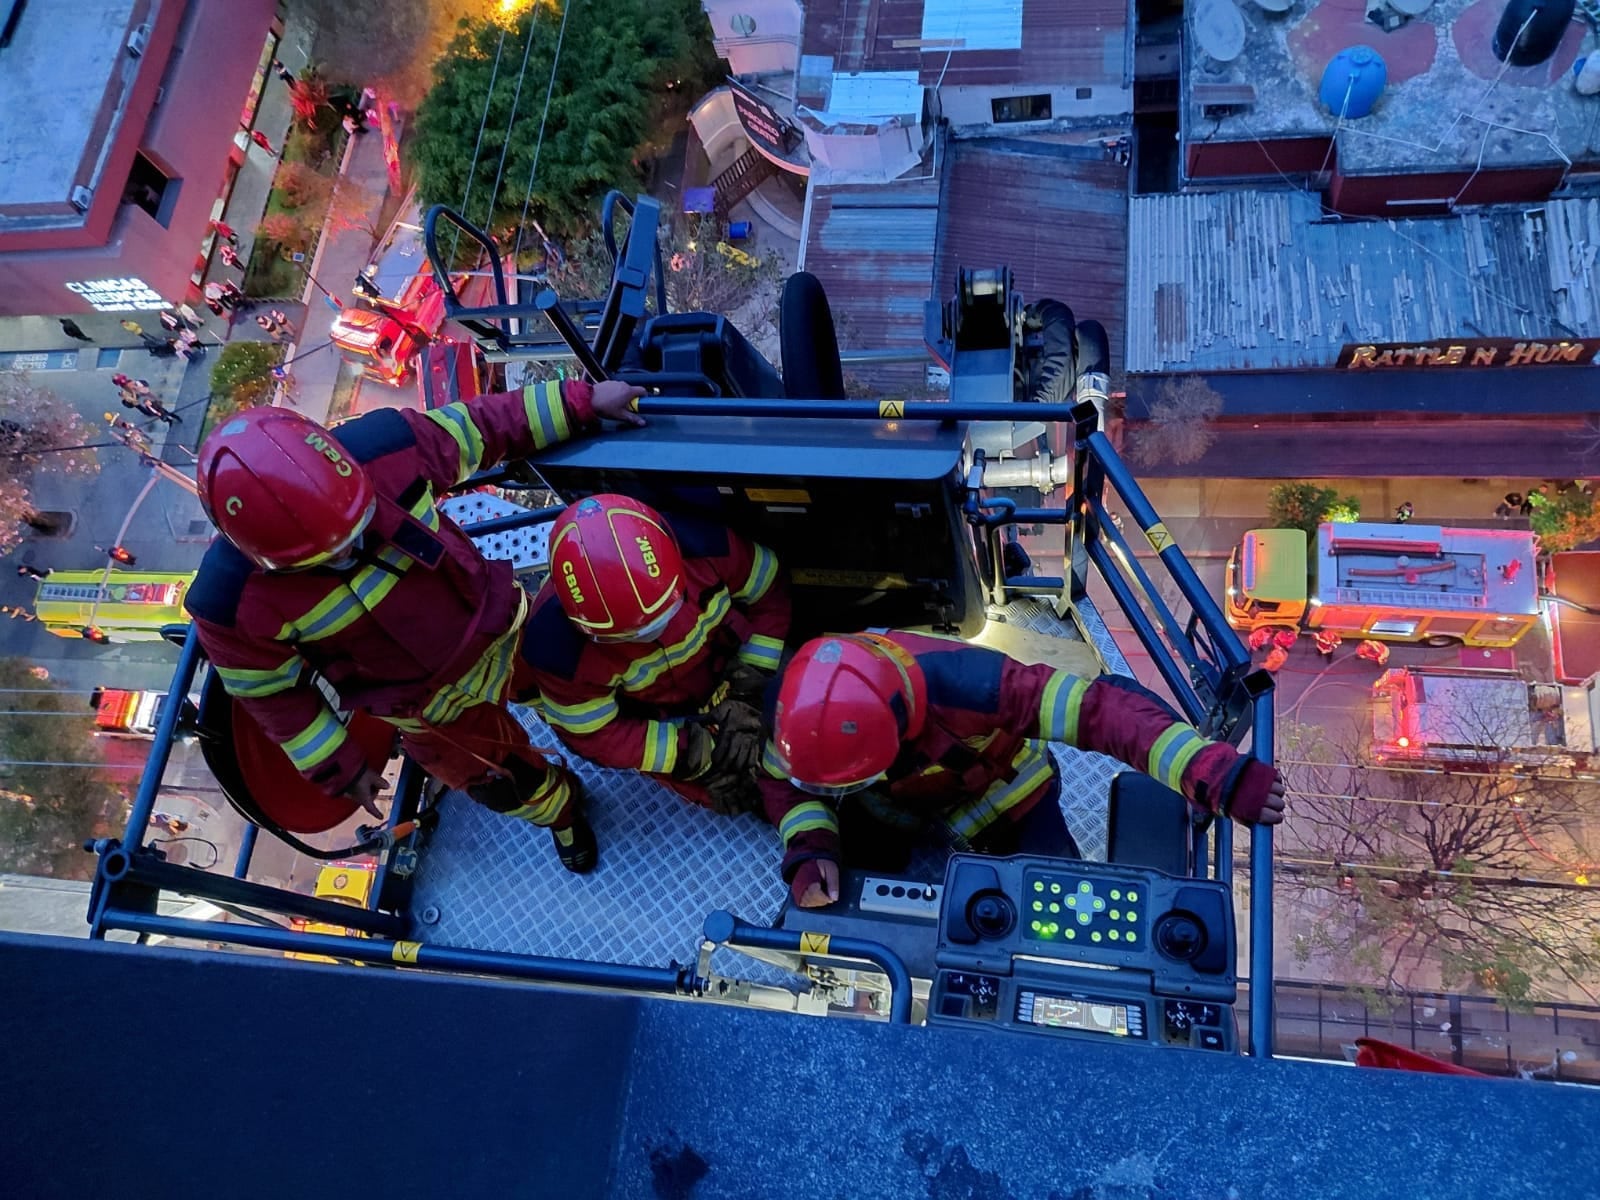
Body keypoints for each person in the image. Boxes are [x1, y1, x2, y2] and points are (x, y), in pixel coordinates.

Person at [185, 377, 646, 875]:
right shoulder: (229, 605)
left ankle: (623, 740)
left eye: (357, 526)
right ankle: (564, 812)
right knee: (505, 785)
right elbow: (272, 698)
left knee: (586, 694)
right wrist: (343, 770)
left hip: (502, 635)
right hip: (426, 712)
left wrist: (582, 401)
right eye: (322, 557)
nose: (347, 552)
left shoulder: (389, 447)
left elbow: (484, 427)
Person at [764, 632, 1287, 908]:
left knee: (1057, 905)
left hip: (1004, 792)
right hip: (896, 812)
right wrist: (812, 849)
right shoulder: (800, 711)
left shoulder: (978, 686)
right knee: (855, 918)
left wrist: (1213, 773)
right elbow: (783, 781)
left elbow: (1102, 713)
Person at [521, 495, 789, 815]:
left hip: (734, 667)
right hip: (665, 717)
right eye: (633, 635)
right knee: (734, 791)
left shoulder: (708, 544)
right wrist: (685, 751)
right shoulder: (555, 649)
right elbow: (594, 735)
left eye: (666, 614)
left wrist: (751, 686)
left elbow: (770, 592)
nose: (654, 634)